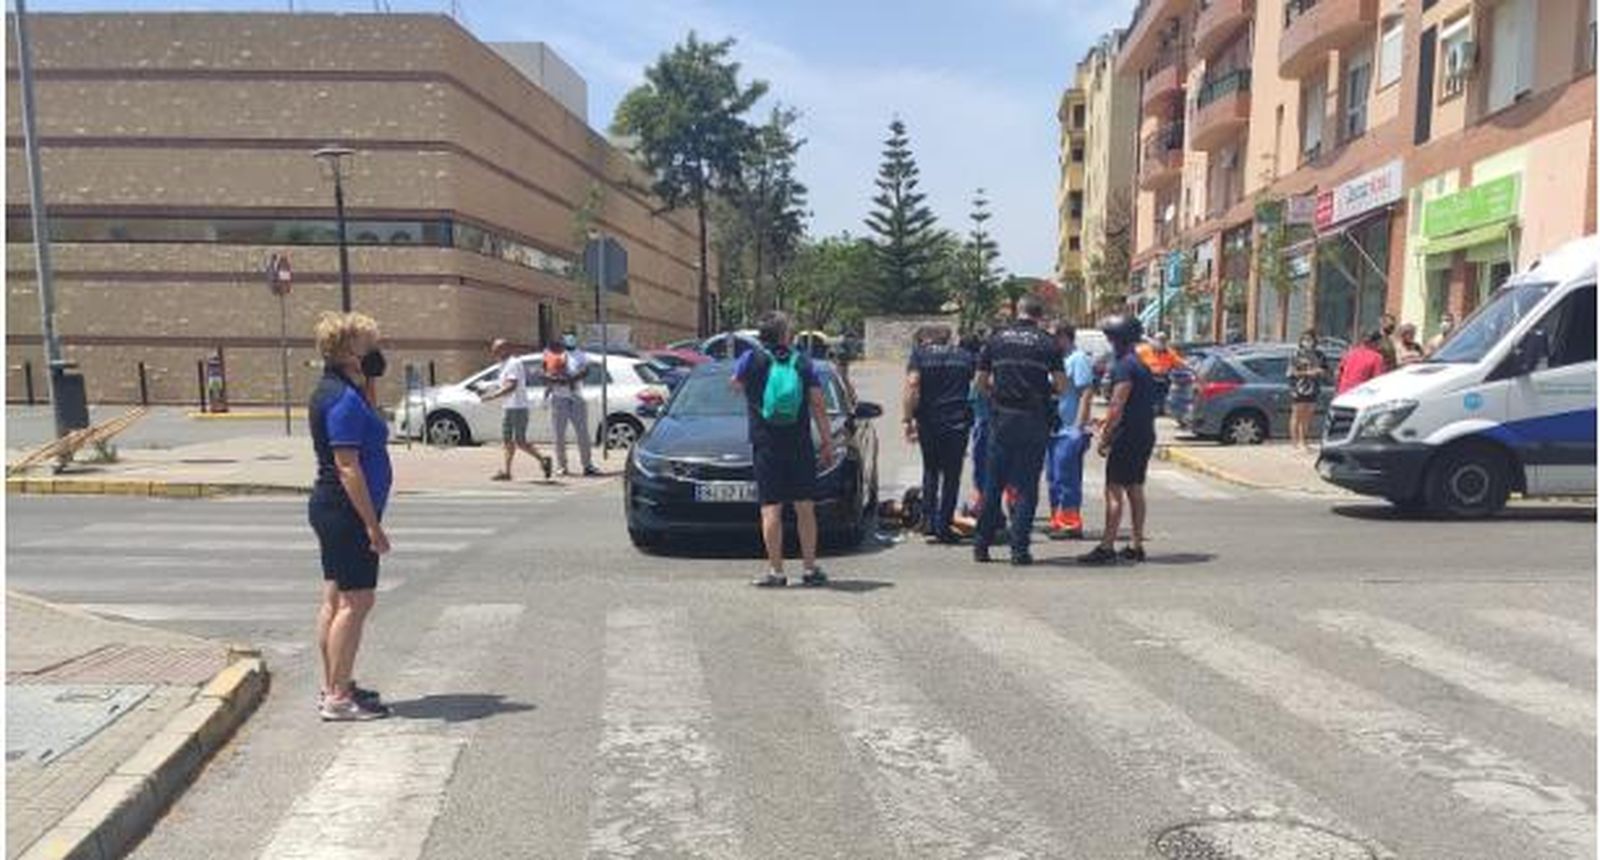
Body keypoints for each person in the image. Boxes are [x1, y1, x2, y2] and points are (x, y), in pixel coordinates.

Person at [308, 312, 393, 721]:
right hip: (346, 511)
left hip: (333, 509)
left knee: (336, 598)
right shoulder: (341, 399)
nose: (375, 350)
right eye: (368, 345)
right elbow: (347, 466)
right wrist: (372, 525)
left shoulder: (340, 389)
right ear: (348, 350)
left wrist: (367, 379)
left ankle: (334, 685)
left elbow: (369, 425)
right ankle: (338, 697)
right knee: (356, 602)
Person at [732, 311, 836, 587]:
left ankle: (776, 572)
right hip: (799, 443)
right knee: (805, 507)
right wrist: (827, 441)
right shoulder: (802, 362)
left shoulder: (750, 360)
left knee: (771, 509)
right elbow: (817, 403)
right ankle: (810, 568)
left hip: (765, 443)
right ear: (786, 335)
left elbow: (735, 386)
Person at [972, 296, 1067, 566]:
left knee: (993, 486)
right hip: (1033, 420)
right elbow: (1061, 386)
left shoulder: (996, 340)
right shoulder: (1047, 343)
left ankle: (981, 546)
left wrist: (996, 395)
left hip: (1002, 419)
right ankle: (1019, 550)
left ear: (1018, 312)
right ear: (1040, 315)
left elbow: (979, 383)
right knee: (1026, 488)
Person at [1079, 314, 1158, 565]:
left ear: (1117, 339)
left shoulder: (1123, 365)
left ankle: (1107, 545)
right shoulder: (1141, 364)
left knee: (1113, 490)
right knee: (1135, 488)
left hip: (1126, 436)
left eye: (1109, 337)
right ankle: (1135, 544)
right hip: (1144, 432)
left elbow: (1117, 404)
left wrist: (1106, 435)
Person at [903, 325, 975, 544]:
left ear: (928, 339)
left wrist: (908, 419)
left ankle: (929, 523)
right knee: (952, 475)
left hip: (929, 422)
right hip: (957, 422)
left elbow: (912, 385)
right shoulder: (964, 356)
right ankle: (944, 526)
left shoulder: (920, 356)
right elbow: (980, 383)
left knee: (931, 470)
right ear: (948, 338)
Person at [1046, 323, 1095, 540]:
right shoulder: (1056, 361)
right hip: (1053, 428)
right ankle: (1058, 519)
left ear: (1065, 337)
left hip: (1069, 429)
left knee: (1067, 478)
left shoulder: (1078, 359)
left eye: (1054, 337)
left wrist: (1079, 426)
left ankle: (1071, 523)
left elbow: (1086, 393)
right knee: (1054, 477)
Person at [479, 339, 551, 482]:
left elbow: (512, 385)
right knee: (507, 441)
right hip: (509, 407)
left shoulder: (514, 363)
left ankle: (543, 459)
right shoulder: (503, 365)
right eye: (493, 349)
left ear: (506, 349)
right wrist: (485, 388)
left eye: (497, 349)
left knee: (520, 441)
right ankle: (507, 472)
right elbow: (502, 383)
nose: (494, 352)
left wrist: (492, 396)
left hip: (518, 407)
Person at [546, 334, 599, 477]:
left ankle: (587, 465)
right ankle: (562, 466)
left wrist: (570, 379)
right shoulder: (552, 354)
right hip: (558, 398)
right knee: (559, 434)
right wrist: (552, 380)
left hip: (576, 397)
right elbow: (544, 370)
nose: (569, 341)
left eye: (572, 338)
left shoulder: (581, 355)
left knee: (582, 433)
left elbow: (585, 371)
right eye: (566, 338)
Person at [1287, 329, 1328, 451]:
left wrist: (1320, 372)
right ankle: (1294, 442)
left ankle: (1303, 440)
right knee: (1297, 415)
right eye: (1305, 339)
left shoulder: (1319, 355)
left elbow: (1325, 370)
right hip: (1299, 387)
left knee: (1308, 416)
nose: (1307, 342)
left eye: (1310, 339)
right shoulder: (1296, 354)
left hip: (1314, 388)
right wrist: (1307, 373)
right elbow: (1291, 372)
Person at [1135, 332, 1184, 416]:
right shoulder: (1143, 350)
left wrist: (1189, 366)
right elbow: (1132, 359)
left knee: (1162, 394)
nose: (1161, 343)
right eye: (1159, 340)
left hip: (1163, 377)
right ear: (1154, 340)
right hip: (1148, 376)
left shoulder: (1169, 352)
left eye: (1163, 341)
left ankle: (1160, 409)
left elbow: (1180, 362)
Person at [1337, 329, 1389, 394]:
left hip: (1343, 394)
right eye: (1380, 343)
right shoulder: (1376, 358)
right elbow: (1378, 381)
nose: (1381, 346)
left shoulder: (1350, 354)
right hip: (1360, 396)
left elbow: (1339, 375)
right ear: (1375, 342)